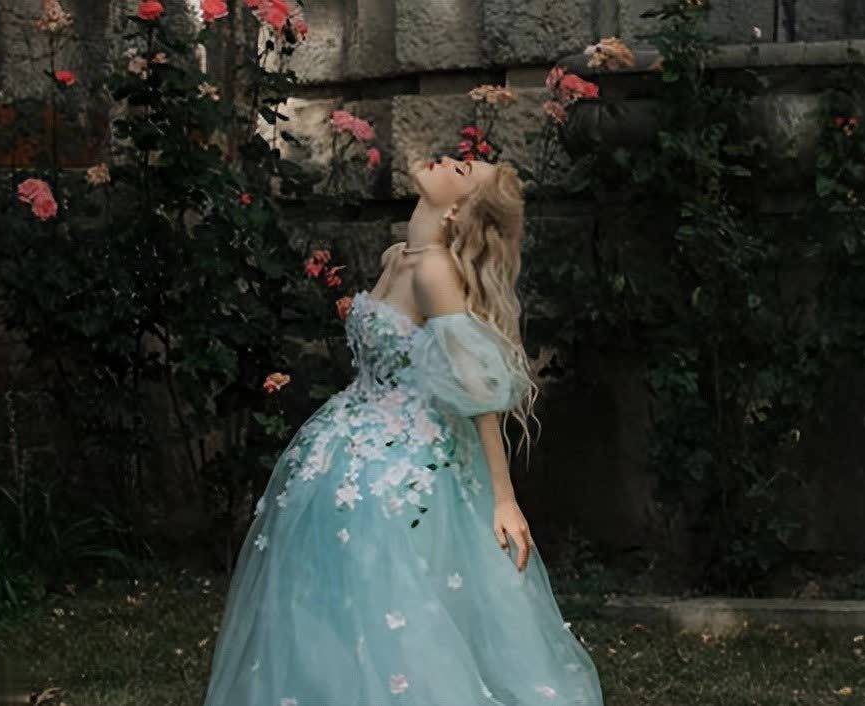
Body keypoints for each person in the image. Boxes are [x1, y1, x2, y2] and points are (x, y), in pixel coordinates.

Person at [201, 155, 605, 705]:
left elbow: (477, 390)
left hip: (405, 459)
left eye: (462, 171)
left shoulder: (434, 272)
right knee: (328, 587)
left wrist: (503, 498)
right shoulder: (398, 256)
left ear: (457, 211)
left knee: (387, 582)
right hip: (347, 437)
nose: (449, 160)